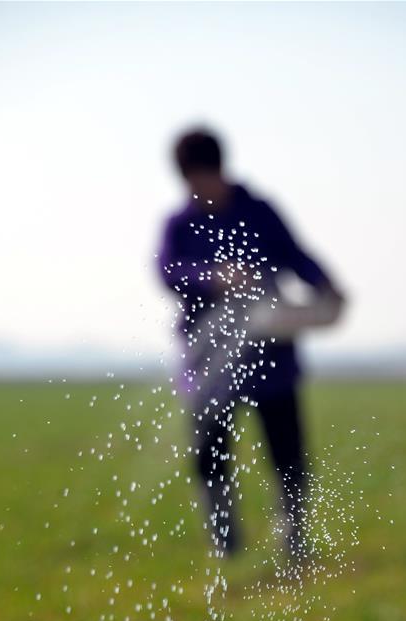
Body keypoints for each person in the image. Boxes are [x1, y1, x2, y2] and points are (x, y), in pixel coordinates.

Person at [157, 128, 345, 558]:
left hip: (271, 351)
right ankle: (225, 540)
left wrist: (326, 285)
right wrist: (213, 276)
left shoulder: (259, 212)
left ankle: (293, 535)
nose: (200, 189)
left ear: (221, 169)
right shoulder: (179, 223)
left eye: (205, 178)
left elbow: (297, 256)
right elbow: (168, 271)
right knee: (210, 450)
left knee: (287, 447)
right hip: (209, 358)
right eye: (191, 182)